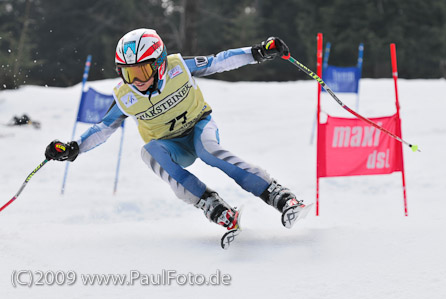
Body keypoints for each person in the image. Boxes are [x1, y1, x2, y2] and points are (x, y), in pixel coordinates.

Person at [45, 28, 303, 231]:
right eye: (128, 73)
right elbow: (103, 128)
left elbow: (218, 61)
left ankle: (273, 192)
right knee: (148, 152)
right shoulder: (126, 97)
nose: (137, 81)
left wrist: (257, 52)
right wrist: (73, 148)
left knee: (209, 152)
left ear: (159, 64)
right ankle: (208, 202)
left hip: (199, 126)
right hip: (172, 145)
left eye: (143, 71)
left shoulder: (178, 67)